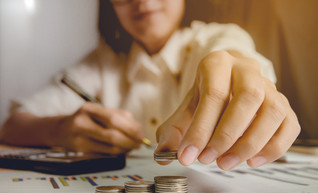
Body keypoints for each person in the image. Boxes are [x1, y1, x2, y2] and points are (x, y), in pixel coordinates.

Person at [0, 0, 300, 171]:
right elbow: (12, 124)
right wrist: (61, 129)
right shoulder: (100, 63)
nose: (142, 1)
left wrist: (237, 68)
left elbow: (231, 50)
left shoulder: (216, 38)